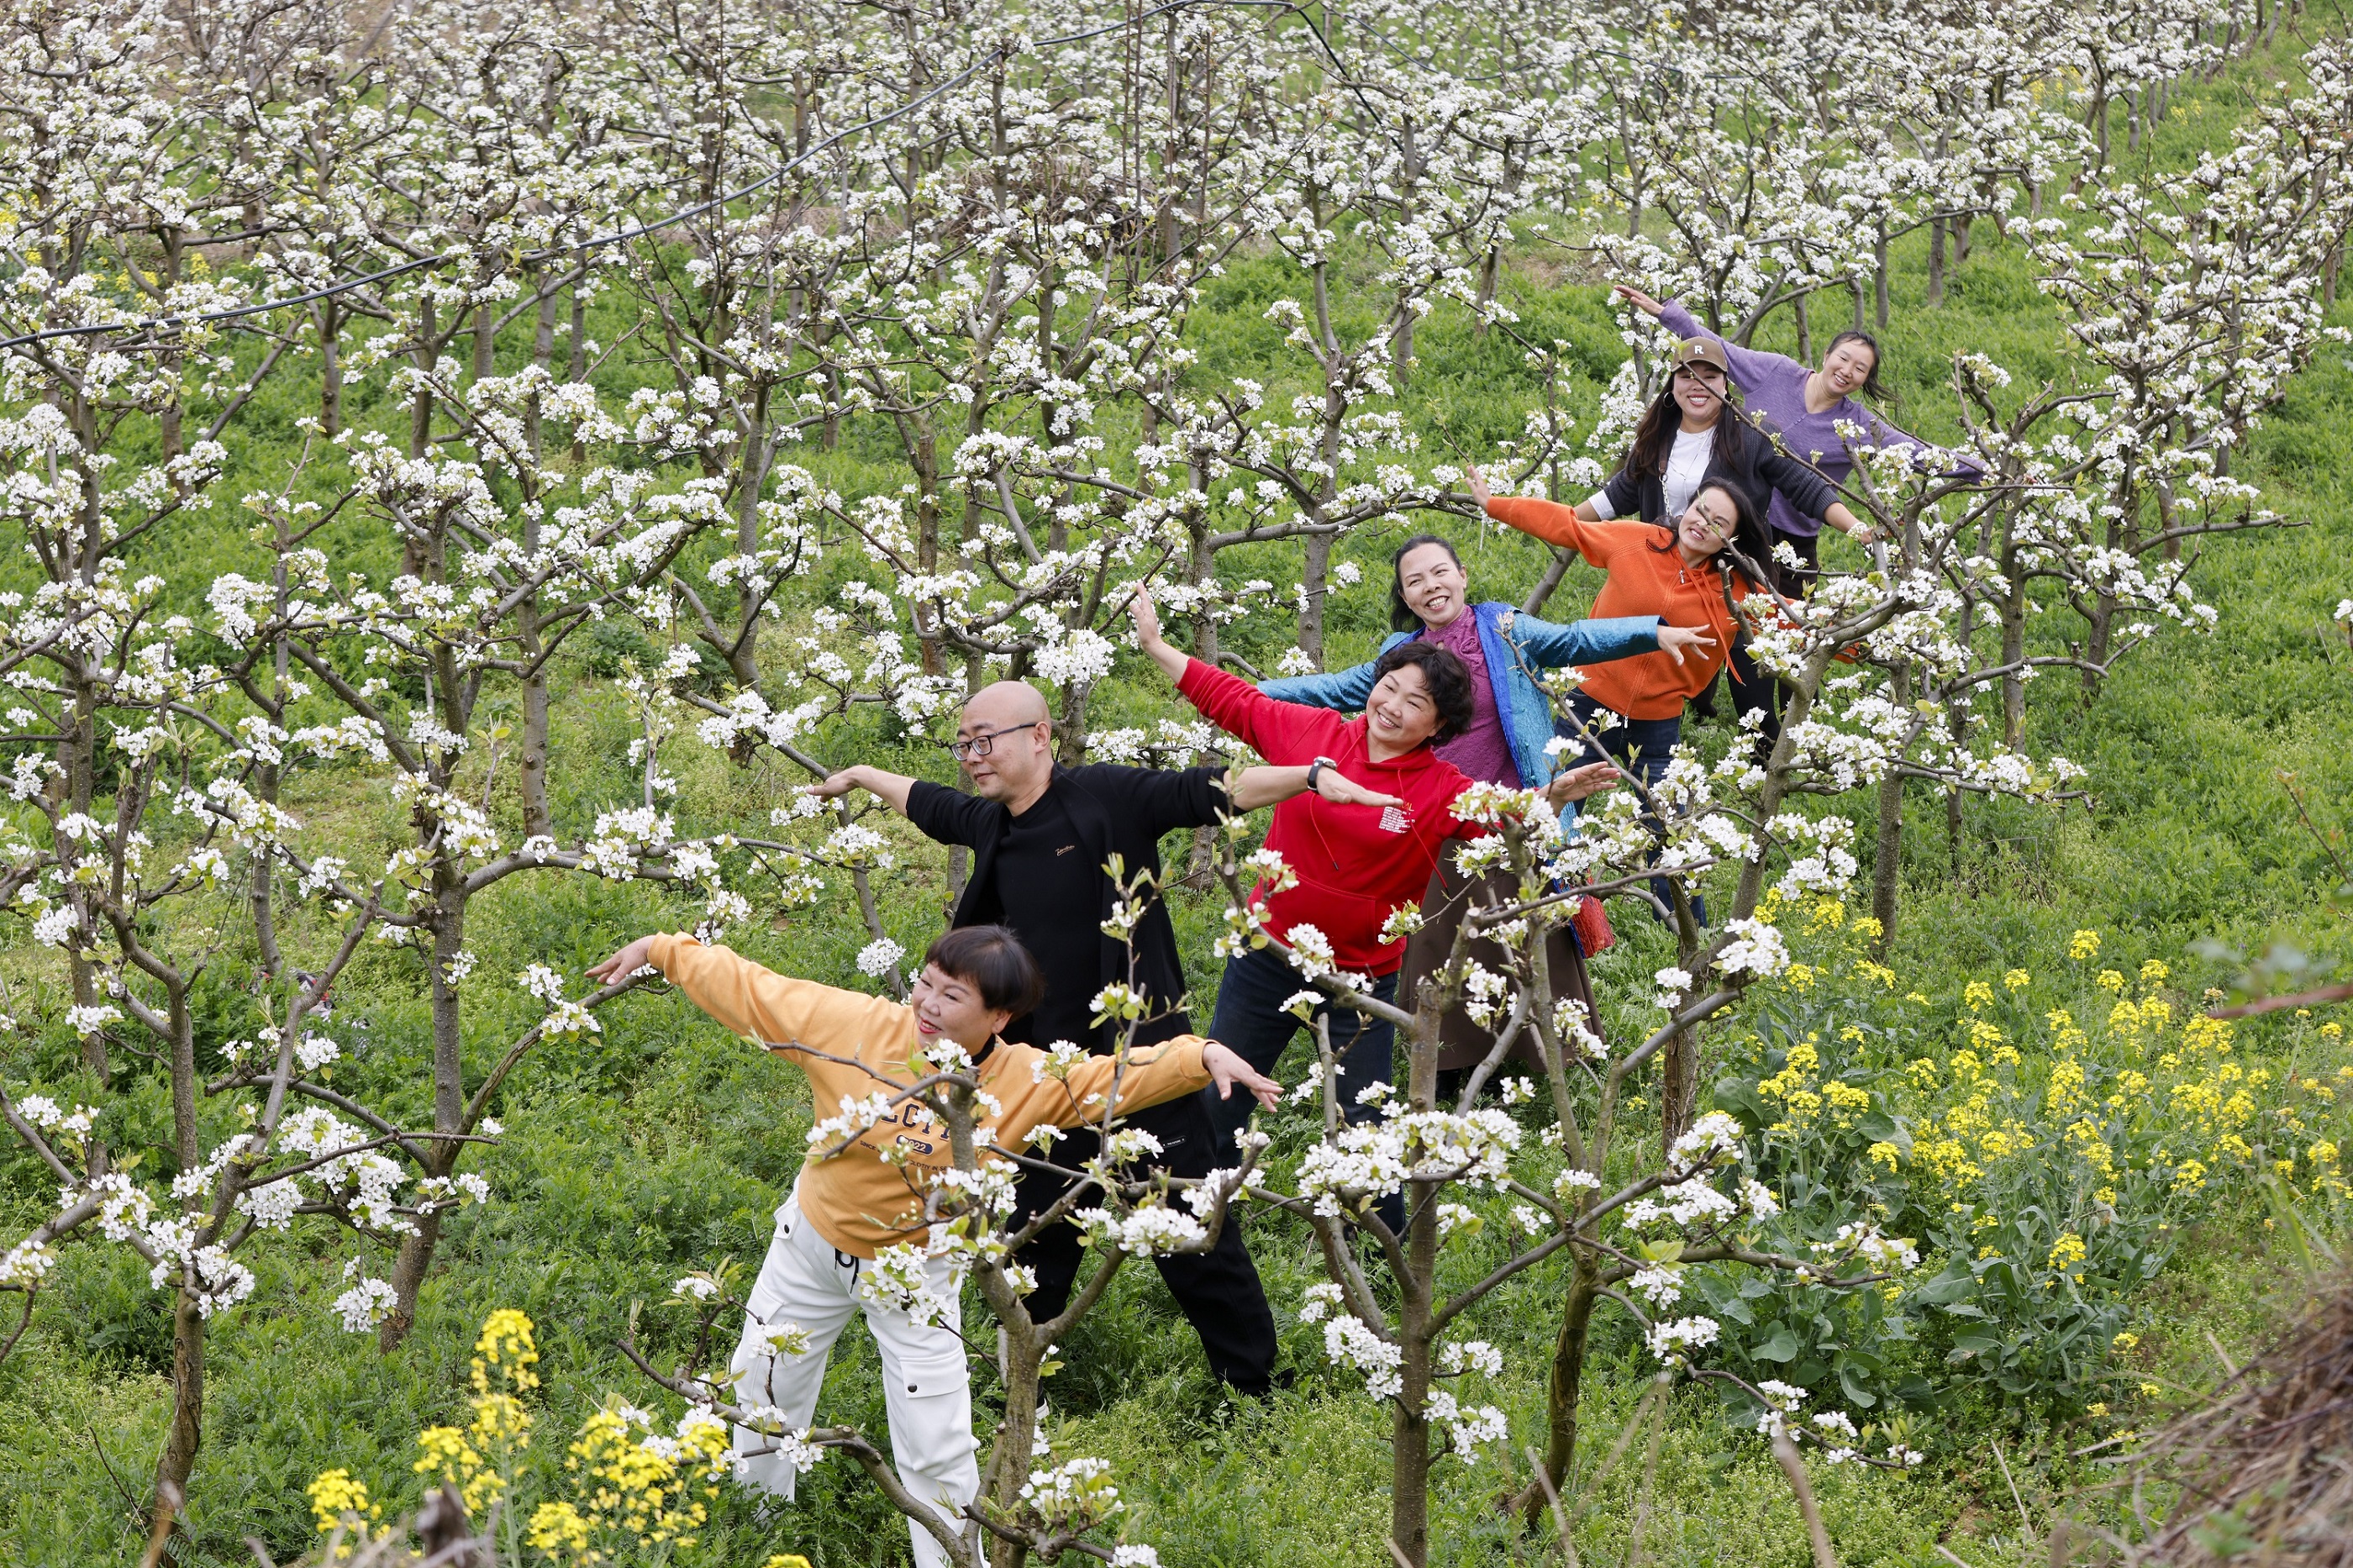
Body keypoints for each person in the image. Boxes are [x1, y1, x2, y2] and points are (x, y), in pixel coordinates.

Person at [585, 924, 1279, 1568]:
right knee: (765, 1385)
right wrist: (662, 949)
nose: (928, 1003)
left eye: (953, 995)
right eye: (925, 982)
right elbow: (758, 990)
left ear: (999, 1018)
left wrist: (1201, 1054)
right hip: (810, 1249)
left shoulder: (1022, 1079)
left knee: (936, 1439)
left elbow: (1110, 1080)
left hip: (918, 1277)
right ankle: (757, 1524)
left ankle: (949, 1556)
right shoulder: (857, 1026)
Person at [808, 681, 1402, 1396]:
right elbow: (931, 806)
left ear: (1040, 735)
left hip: (1134, 1066)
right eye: (963, 744)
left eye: (985, 740)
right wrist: (863, 776)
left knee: (1190, 1226)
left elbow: (1212, 790)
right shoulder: (994, 823)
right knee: (1034, 1231)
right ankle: (1022, 1382)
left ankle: (1251, 1384)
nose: (972, 757)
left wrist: (1309, 776)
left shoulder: (1105, 800)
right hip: (1034, 1079)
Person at [1257, 533, 1716, 1081]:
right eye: (1415, 582)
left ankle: (1543, 1053)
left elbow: (1574, 641)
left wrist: (1651, 631)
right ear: (1405, 597)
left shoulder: (1503, 630)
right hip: (1438, 819)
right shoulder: (1399, 658)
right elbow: (1338, 691)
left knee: (1528, 932)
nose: (1430, 587)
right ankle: (1449, 1061)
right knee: (1440, 938)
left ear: (1462, 574)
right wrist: (1253, 695)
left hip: (1516, 811)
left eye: (1438, 573)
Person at [1129, 589, 1502, 1204]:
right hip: (1267, 958)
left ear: (1439, 726)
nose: (1394, 707)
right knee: (1222, 1097)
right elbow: (1235, 702)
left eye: (1417, 703)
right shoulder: (1315, 735)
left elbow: (1508, 825)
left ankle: (1381, 1251)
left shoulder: (1443, 788)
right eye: (1391, 688)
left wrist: (1559, 800)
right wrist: (1156, 646)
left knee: (1365, 1131)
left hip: (1364, 980)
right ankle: (1194, 1214)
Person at [1513, 336, 1871, 752]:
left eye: (1710, 376)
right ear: (1673, 384)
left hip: (1727, 576)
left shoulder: (1752, 435)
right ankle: (1676, 718)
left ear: (1725, 384)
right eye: (1687, 376)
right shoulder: (1659, 434)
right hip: (1666, 573)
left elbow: (1806, 486)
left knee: (1750, 660)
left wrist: (1856, 527)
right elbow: (1617, 495)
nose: (1697, 385)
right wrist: (1564, 521)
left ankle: (1764, 756)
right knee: (1673, 667)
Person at [1467, 468, 1776, 926]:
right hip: (1587, 707)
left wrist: (1866, 633)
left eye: (1718, 523)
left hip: (1658, 723)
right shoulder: (1638, 540)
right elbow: (1568, 525)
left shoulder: (1738, 591)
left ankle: (1688, 935)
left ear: (1733, 538)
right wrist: (1495, 505)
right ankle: (1524, 911)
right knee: (1551, 808)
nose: (1701, 523)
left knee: (1669, 831)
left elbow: (1795, 627)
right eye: (1699, 510)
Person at [1612, 285, 1973, 597]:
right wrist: (1670, 315)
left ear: (1865, 380)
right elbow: (1719, 351)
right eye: (1843, 358)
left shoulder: (1858, 425)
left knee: (1792, 641)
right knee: (1722, 626)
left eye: (1860, 369)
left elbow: (1917, 453)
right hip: (1736, 524)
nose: (1847, 371)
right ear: (1826, 356)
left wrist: (1981, 472)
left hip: (1793, 542)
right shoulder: (1776, 372)